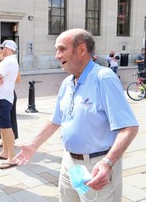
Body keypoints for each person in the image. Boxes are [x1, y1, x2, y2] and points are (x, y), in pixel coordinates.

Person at [14, 28, 139, 202]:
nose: (57, 55)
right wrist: (33, 145)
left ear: (81, 50)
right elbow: (55, 120)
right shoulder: (67, 82)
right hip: (69, 164)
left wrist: (107, 163)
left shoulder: (103, 78)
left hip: (97, 165)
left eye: (62, 49)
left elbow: (129, 128)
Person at [0, 40, 19, 169]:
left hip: (2, 98)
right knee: (3, 127)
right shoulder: (10, 61)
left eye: (1, 49)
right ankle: (5, 152)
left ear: (8, 49)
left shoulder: (7, 62)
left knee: (6, 128)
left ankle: (11, 158)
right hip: (2, 98)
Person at [0, 48, 20, 147]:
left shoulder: (9, 63)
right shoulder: (8, 62)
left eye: (0, 52)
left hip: (6, 94)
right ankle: (5, 143)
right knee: (4, 121)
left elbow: (18, 79)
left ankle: (9, 145)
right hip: (8, 93)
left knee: (7, 121)